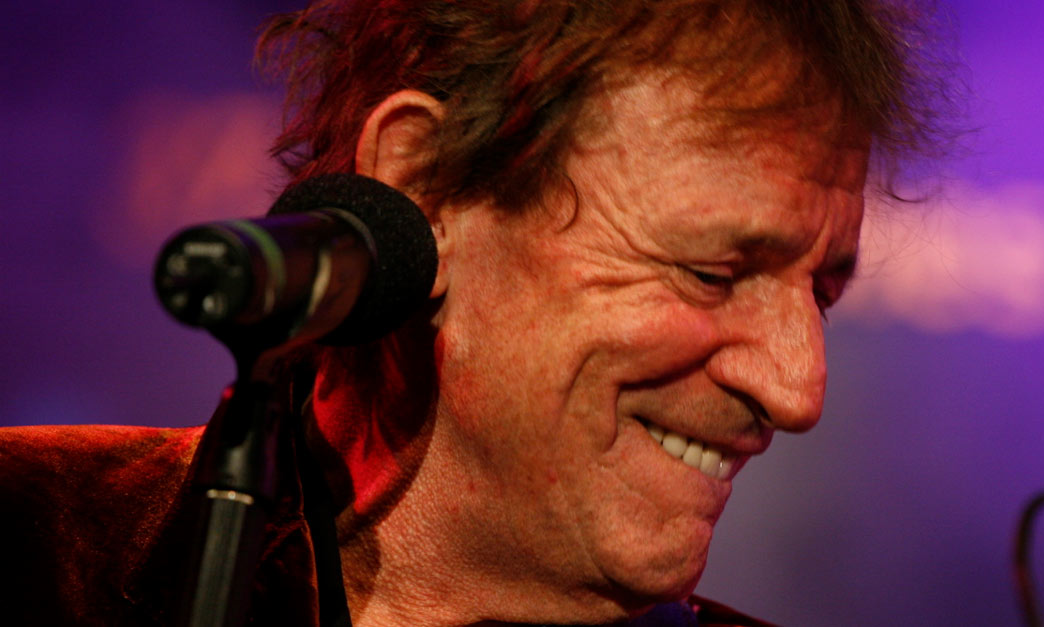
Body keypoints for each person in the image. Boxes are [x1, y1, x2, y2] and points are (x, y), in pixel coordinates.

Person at [0, 1, 949, 625]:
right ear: (424, 189)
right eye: (711, 271)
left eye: (822, 295)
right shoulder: (34, 542)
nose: (798, 388)